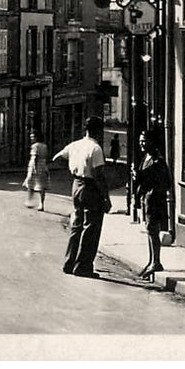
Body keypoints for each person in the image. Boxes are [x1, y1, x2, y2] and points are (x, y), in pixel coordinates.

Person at [53, 115, 112, 278]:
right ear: (98, 131)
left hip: (76, 185)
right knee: (91, 228)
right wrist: (106, 197)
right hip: (90, 187)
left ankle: (69, 263)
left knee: (77, 225)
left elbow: (57, 158)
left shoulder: (75, 145)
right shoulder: (96, 148)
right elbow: (98, 175)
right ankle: (83, 266)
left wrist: (73, 170)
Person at [133, 128, 172, 280]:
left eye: (145, 140)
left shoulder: (158, 161)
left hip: (154, 200)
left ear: (152, 142)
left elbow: (165, 183)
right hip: (146, 198)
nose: (142, 143)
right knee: (150, 230)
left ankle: (156, 261)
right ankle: (152, 261)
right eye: (140, 140)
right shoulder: (146, 157)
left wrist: (144, 179)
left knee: (153, 230)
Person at [23, 128, 50, 211]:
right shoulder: (44, 146)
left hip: (35, 166)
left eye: (33, 137)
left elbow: (35, 157)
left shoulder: (35, 146)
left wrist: (33, 168)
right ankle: (41, 204)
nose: (31, 138)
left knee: (30, 184)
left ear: (37, 137)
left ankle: (29, 200)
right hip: (43, 166)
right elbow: (46, 157)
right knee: (42, 186)